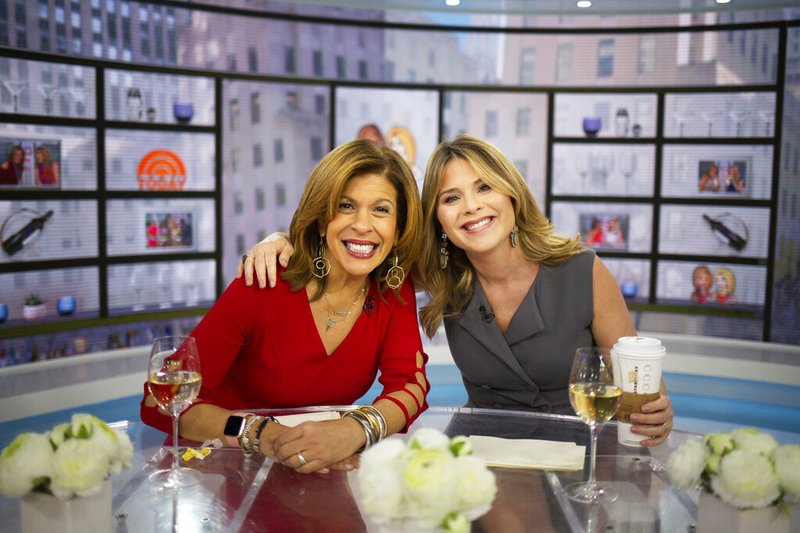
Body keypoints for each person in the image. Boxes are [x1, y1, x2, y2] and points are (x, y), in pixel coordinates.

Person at [240, 135, 674, 446]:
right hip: (484, 447)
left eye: (484, 187)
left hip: (583, 446)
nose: (471, 206)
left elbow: (637, 376)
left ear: (512, 195)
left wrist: (658, 411)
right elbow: (356, 244)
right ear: (439, 222)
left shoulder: (583, 270)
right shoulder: (437, 274)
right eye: (451, 198)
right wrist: (281, 240)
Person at [142, 140, 429, 474]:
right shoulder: (265, 279)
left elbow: (410, 384)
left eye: (381, 210)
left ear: (398, 228)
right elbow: (157, 404)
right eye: (346, 206)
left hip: (322, 463)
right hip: (218, 468)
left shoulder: (393, 287)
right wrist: (261, 433)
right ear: (322, 220)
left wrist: (355, 430)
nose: (363, 225)